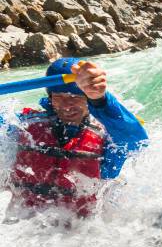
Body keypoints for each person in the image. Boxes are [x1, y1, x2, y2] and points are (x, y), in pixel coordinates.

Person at [2, 57, 148, 218]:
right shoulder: (23, 125)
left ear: (88, 99)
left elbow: (135, 141)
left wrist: (100, 100)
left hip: (79, 232)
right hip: (22, 223)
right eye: (59, 97)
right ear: (50, 98)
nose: (67, 105)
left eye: (75, 97)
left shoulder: (106, 138)